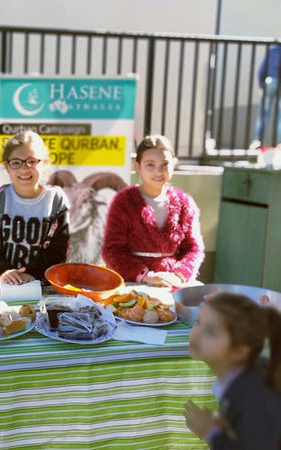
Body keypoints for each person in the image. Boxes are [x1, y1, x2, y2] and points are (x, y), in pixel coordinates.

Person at [102, 134, 204, 288]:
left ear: (173, 165)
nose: (158, 171)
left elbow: (193, 248)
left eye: (165, 164)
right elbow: (113, 249)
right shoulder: (123, 201)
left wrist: (179, 275)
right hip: (131, 284)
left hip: (172, 284)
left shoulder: (185, 203)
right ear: (138, 166)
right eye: (150, 164)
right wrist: (145, 275)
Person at [183, 293, 281, 449]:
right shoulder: (239, 376)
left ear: (240, 351)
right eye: (198, 322)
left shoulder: (255, 400)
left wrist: (210, 432)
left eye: (210, 331)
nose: (196, 333)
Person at [0, 130, 69, 285]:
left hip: (41, 287)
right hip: (1, 285)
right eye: (16, 162)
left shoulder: (56, 201)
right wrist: (4, 270)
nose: (25, 169)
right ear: (6, 166)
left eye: (32, 161)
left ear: (44, 163)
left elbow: (60, 248)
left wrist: (33, 273)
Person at [251, 44, 281, 149]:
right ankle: (280, 143)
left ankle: (258, 139)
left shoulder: (272, 51)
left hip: (271, 80)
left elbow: (262, 69)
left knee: (264, 112)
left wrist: (261, 86)